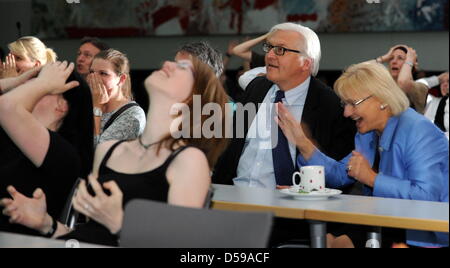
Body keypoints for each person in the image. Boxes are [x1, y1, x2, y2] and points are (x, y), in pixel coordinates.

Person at [0, 57, 229, 247]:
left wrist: (120, 224)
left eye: (183, 67)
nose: (169, 63)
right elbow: (92, 236)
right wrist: (46, 224)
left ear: (193, 96)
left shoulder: (189, 160)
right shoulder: (109, 150)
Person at [276, 62, 448, 248]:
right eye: (344, 103)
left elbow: (427, 198)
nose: (346, 112)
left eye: (353, 103)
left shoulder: (419, 131)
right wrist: (303, 143)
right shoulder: (367, 133)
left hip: (423, 232)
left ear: (382, 99)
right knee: (326, 241)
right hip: (385, 219)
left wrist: (372, 179)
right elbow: (342, 175)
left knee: (336, 243)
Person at [213, 22, 356, 188]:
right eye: (269, 47)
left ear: (306, 63)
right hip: (233, 197)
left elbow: (339, 176)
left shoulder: (331, 106)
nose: (270, 56)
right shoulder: (256, 88)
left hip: (289, 208)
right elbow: (231, 145)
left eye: (281, 50)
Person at [0, 62, 94, 236]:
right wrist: (12, 83)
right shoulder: (12, 139)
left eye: (45, 87)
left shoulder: (63, 154)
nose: (29, 87)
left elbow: (6, 107)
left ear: (62, 106)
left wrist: (40, 83)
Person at [87, 49, 146, 147]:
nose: (94, 78)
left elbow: (96, 152)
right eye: (92, 72)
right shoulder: (86, 104)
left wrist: (96, 106)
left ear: (121, 79)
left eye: (103, 73)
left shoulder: (132, 116)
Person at [371, 45, 429, 114]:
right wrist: (383, 58)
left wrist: (410, 58)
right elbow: (357, 73)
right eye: (391, 58)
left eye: (400, 58)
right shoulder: (383, 87)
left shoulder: (420, 87)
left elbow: (403, 82)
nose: (394, 61)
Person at [419, 72, 449, 137]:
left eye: (448, 81)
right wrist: (437, 79)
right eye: (442, 82)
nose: (445, 85)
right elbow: (417, 86)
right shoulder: (431, 100)